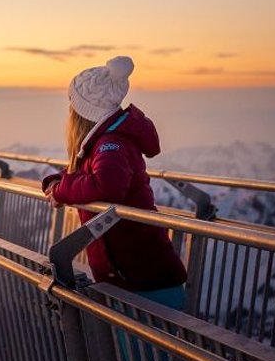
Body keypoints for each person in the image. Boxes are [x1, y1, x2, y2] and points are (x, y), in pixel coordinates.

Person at [42, 56, 187, 307]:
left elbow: (107, 185)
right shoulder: (103, 142)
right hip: (132, 279)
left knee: (140, 348)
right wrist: (59, 182)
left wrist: (63, 190)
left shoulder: (111, 144)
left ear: (83, 113)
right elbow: (91, 174)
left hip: (145, 282)